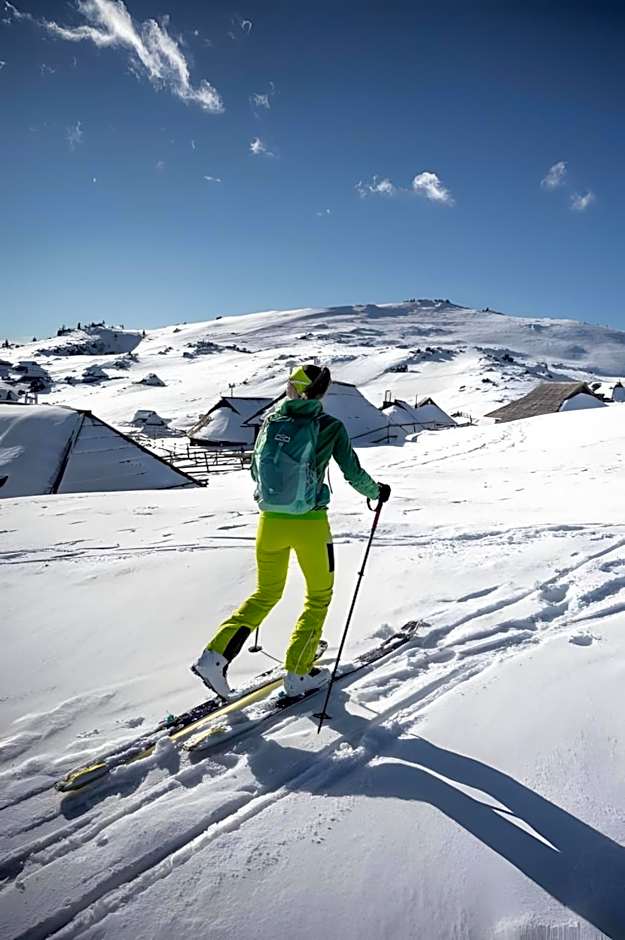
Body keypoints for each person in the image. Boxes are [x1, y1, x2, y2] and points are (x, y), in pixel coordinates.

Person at [192, 364, 391, 699]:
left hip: (269, 522)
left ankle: (214, 657)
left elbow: (258, 470)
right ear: (322, 393)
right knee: (318, 596)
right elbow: (353, 474)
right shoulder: (329, 426)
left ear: (291, 388)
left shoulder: (271, 422)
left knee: (266, 593)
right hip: (310, 525)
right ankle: (298, 672)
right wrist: (377, 492)